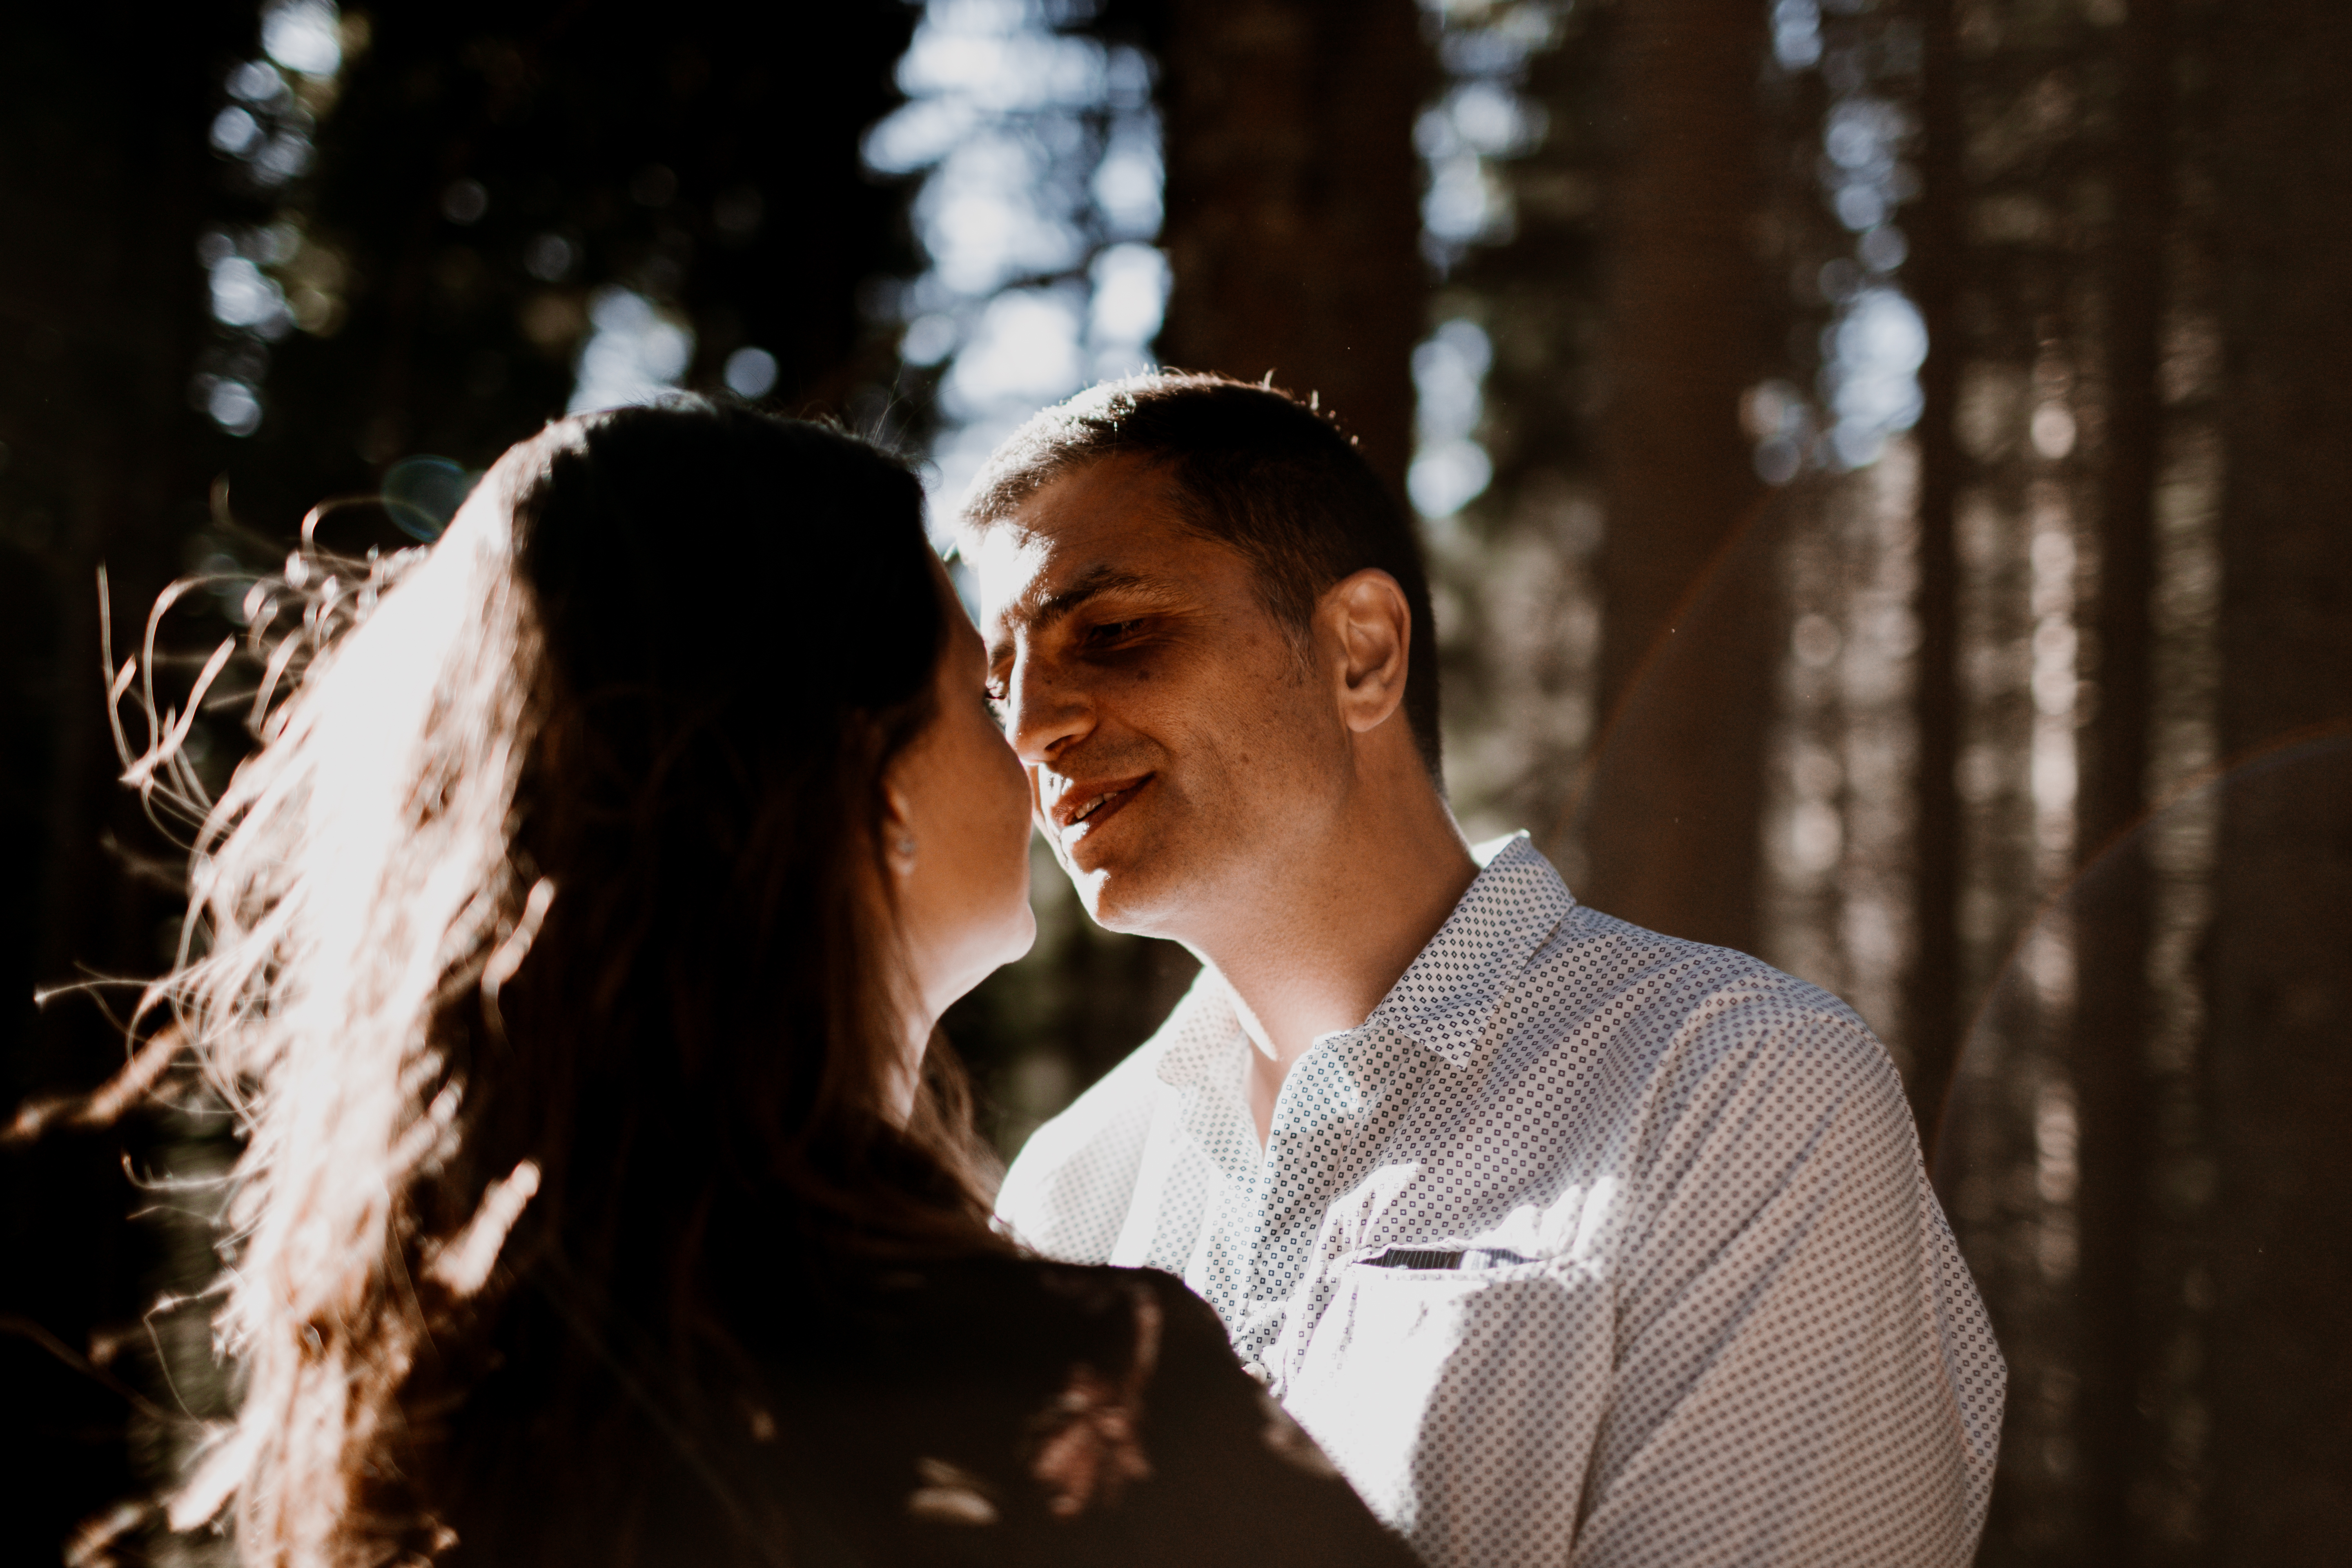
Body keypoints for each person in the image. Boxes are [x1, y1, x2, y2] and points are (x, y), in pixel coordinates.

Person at [109, 403, 1414, 1568]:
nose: (1031, 739)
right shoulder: (1076, 1388)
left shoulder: (443, 1381)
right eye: (978, 686)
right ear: (863, 782)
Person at [968, 373, 2007, 1568]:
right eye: (1000, 685)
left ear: (1362, 651)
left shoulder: (1738, 1090)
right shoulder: (1068, 1196)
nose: (1033, 725)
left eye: (1111, 633)